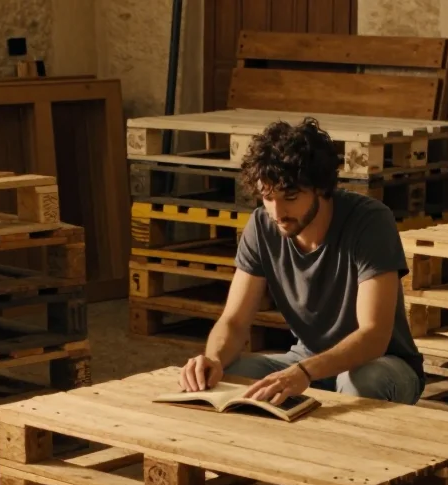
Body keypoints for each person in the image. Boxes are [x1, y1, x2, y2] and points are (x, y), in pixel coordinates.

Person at [176, 117, 425, 406]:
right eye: (267, 197)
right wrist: (212, 360)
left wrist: (305, 372)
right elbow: (233, 321)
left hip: (382, 364)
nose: (277, 211)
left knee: (361, 382)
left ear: (320, 186)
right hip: (305, 359)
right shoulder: (261, 226)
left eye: (290, 196)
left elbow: (374, 335)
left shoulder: (370, 221)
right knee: (225, 377)